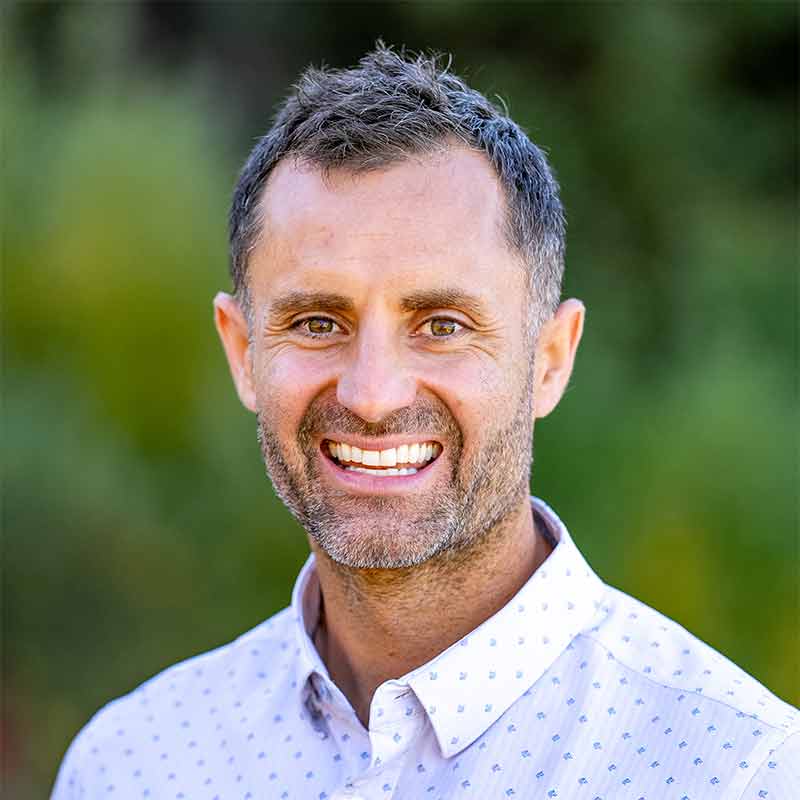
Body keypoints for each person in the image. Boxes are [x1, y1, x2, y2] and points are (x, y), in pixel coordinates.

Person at [52, 43, 797, 800]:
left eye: (442, 325)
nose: (373, 395)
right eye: (317, 322)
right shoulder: (130, 767)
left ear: (550, 359)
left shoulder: (742, 773)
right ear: (243, 353)